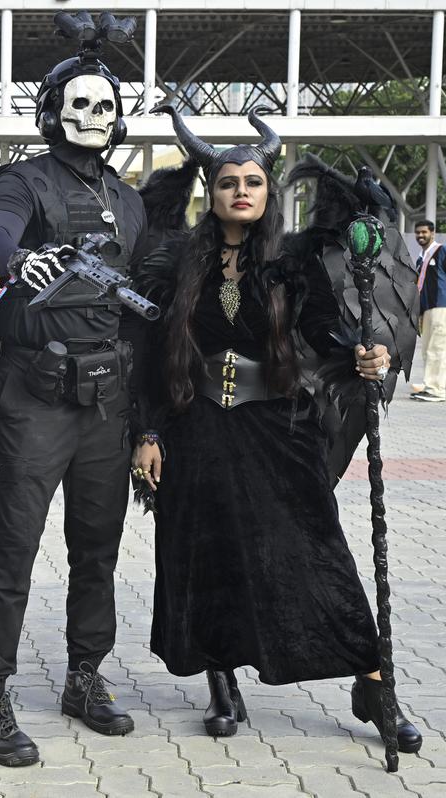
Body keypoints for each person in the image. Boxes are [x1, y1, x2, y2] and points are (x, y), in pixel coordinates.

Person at [130, 107, 422, 752]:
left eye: (254, 182)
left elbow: (321, 329)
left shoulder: (291, 260)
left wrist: (358, 352)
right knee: (206, 553)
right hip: (196, 427)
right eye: (229, 181)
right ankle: (221, 678)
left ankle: (375, 683)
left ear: (268, 192)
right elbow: (151, 354)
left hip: (278, 426)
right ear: (212, 191)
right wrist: (147, 433)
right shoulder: (180, 261)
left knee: (317, 551)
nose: (242, 191)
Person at [0, 13, 147, 767]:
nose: (93, 117)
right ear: (52, 110)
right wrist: (15, 261)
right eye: (79, 104)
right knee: (15, 547)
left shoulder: (130, 200)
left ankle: (84, 676)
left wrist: (149, 424)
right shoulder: (23, 179)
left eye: (106, 106)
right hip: (36, 396)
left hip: (108, 400)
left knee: (97, 549)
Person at [411, 219, 445, 402]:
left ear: (432, 233)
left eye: (424, 232)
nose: (420, 235)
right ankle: (430, 384)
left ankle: (438, 390)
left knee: (438, 348)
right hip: (426, 310)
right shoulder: (421, 258)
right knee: (427, 350)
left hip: (441, 306)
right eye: (418, 232)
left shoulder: (441, 251)